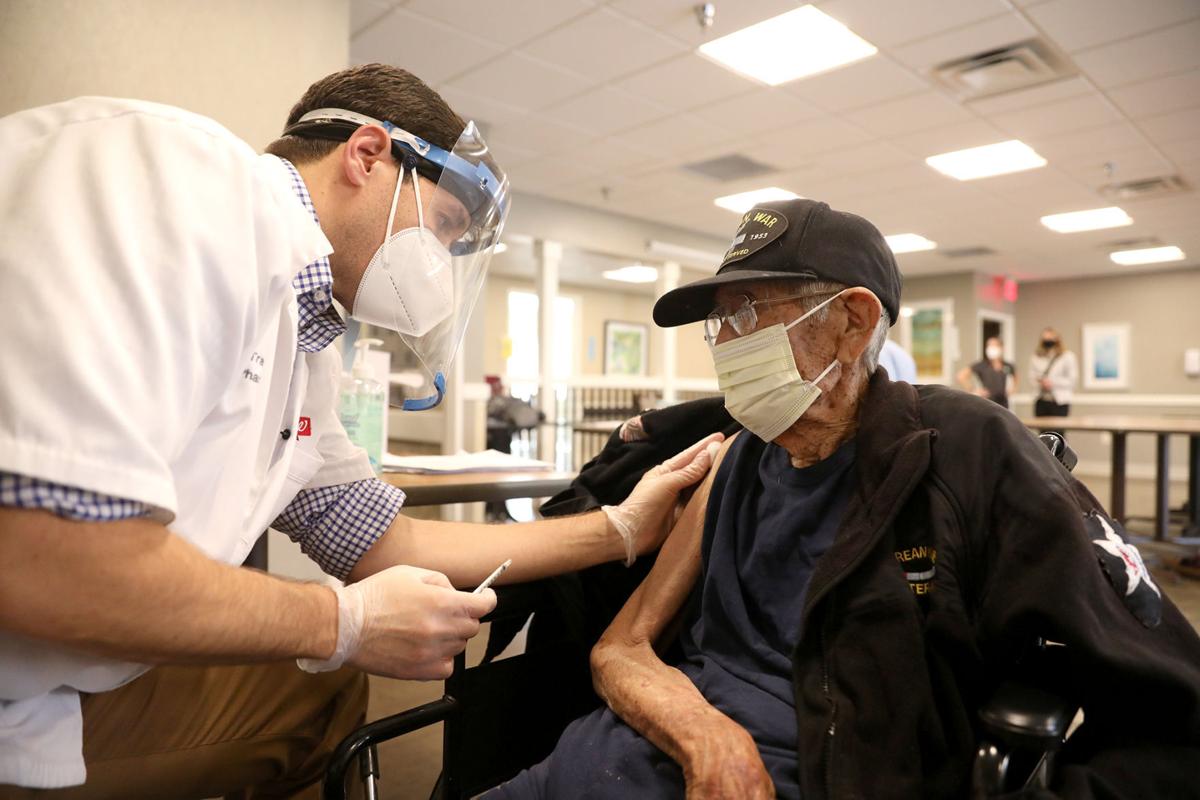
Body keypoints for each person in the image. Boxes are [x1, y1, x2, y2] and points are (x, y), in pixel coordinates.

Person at [0, 64, 721, 797]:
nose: (440, 265)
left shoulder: (305, 347)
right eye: (443, 227)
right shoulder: (182, 182)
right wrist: (338, 622)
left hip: (58, 675)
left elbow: (384, 543)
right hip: (30, 658)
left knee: (322, 698)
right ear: (368, 154)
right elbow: (50, 559)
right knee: (322, 678)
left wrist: (621, 528)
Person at [487, 199, 1200, 799]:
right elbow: (620, 646)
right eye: (719, 323)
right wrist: (703, 733)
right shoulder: (739, 459)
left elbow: (1171, 714)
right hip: (595, 767)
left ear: (853, 322)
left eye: (747, 314)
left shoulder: (964, 454)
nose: (723, 344)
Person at [1030, 327, 1078, 418]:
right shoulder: (1036, 357)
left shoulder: (1068, 356)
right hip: (1041, 400)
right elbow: (1032, 377)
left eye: (1050, 339)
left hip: (1060, 401)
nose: (1048, 341)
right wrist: (1041, 383)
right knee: (1043, 432)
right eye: (1045, 339)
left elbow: (1072, 380)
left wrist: (1053, 383)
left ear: (1057, 340)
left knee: (1057, 431)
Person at [957, 336, 1017, 408]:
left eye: (994, 345)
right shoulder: (982, 365)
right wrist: (973, 390)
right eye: (989, 345)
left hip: (1003, 402)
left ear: (1001, 348)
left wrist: (1013, 389)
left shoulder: (1007, 365)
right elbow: (961, 376)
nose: (991, 348)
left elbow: (1016, 376)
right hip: (988, 402)